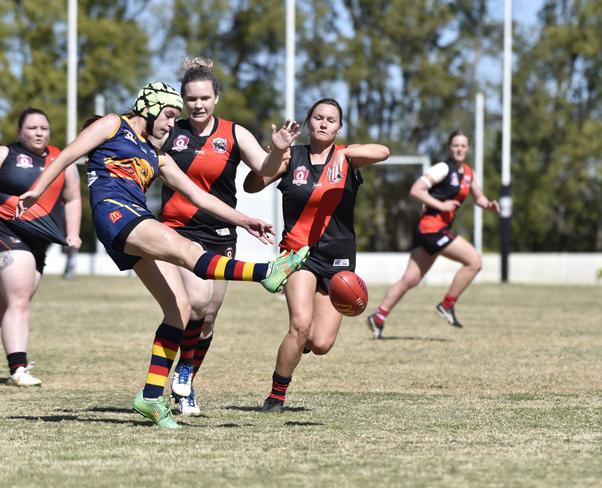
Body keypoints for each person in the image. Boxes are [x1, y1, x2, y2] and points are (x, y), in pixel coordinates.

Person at [16, 82, 309, 428]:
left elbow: (201, 198)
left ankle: (151, 398)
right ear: (149, 108)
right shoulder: (113, 124)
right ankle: (265, 273)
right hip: (115, 212)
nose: (171, 124)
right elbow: (66, 155)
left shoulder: (159, 156)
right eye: (169, 116)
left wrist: (245, 221)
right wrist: (37, 189)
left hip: (135, 220)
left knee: (180, 311)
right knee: (188, 250)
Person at [155, 58, 299, 416]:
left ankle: (185, 378)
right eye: (191, 99)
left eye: (204, 97)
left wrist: (278, 149)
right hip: (177, 230)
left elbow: (265, 169)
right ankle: (169, 380)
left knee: (208, 319)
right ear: (183, 100)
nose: (198, 105)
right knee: (198, 301)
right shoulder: (171, 133)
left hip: (220, 232)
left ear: (216, 97)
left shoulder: (234, 134)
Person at [244, 98, 390, 413]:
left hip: (338, 261)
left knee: (320, 343)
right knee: (300, 324)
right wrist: (274, 152)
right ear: (309, 123)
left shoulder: (349, 158)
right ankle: (276, 396)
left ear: (339, 127)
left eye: (331, 120)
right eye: (318, 118)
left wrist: (347, 152)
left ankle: (300, 347)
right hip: (297, 256)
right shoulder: (290, 157)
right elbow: (252, 185)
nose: (324, 124)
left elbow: (384, 152)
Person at [0, 108, 82, 386]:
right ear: (19, 131)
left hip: (38, 241)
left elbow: (72, 199)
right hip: (1, 231)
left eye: (44, 128)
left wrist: (73, 234)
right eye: (32, 127)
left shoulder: (62, 161)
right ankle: (18, 368)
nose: (39, 133)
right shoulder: (1, 154)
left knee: (3, 312)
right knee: (20, 300)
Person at [366, 130, 500, 336]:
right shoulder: (443, 168)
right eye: (455, 145)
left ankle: (378, 317)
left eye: (463, 145)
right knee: (475, 262)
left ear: (468, 148)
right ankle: (447, 305)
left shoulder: (469, 173)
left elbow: (479, 197)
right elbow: (416, 190)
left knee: (410, 280)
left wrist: (488, 205)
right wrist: (441, 205)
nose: (459, 149)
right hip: (432, 229)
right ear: (449, 147)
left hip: (435, 231)